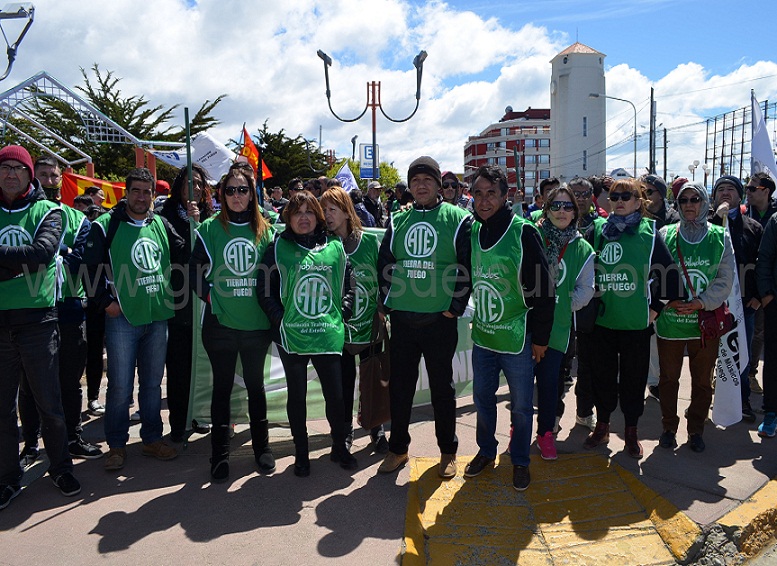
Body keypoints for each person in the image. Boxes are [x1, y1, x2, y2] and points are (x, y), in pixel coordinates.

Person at [376, 156, 472, 478]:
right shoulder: (398, 220)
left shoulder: (457, 219)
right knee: (401, 389)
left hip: (439, 322)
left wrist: (455, 306)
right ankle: (398, 449)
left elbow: (467, 266)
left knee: (442, 390)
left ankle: (447, 452)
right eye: (415, 180)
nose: (420, 185)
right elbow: (384, 263)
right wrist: (389, 301)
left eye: (427, 180)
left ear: (438, 185)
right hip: (404, 321)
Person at [85, 167, 184, 471]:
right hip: (123, 318)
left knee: (153, 384)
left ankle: (152, 439)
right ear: (125, 192)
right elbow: (89, 269)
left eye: (147, 191)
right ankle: (116, 445)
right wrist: (106, 303)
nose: (142, 197)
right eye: (136, 190)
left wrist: (195, 224)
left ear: (154, 195)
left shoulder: (161, 224)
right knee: (119, 387)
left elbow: (186, 252)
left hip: (157, 315)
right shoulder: (105, 226)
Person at [462, 165, 554, 491]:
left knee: (521, 406)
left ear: (505, 196)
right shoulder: (472, 231)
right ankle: (487, 451)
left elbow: (545, 289)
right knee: (483, 400)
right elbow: (461, 276)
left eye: (491, 194)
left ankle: (520, 461)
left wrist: (541, 339)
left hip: (518, 336)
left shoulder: (523, 232)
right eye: (479, 194)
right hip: (485, 336)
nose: (484, 201)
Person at [0, 145, 81, 510]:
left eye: (19, 168)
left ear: (30, 175)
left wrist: (17, 265)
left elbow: (42, 254)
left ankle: (60, 467)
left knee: (50, 404)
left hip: (38, 322)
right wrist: (18, 265)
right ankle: (7, 477)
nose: (11, 174)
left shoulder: (49, 211)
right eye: (5, 168)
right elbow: (28, 259)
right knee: (2, 408)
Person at [257, 190, 357, 477]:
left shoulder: (335, 246)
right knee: (297, 397)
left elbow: (349, 283)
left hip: (327, 335)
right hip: (293, 337)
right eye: (297, 212)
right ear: (288, 217)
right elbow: (263, 289)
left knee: (336, 397)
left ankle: (340, 447)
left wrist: (344, 310)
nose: (304, 217)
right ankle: (302, 454)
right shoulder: (278, 248)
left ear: (319, 217)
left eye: (310, 212)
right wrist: (280, 319)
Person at [583, 178, 681, 458]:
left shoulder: (650, 232)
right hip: (602, 322)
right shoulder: (598, 229)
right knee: (601, 378)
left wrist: (655, 310)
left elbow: (669, 277)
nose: (621, 201)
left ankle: (631, 431)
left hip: (636, 325)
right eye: (615, 197)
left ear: (639, 202)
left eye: (627, 196)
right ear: (608, 201)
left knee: (633, 381)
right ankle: (602, 426)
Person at [189, 168, 276, 481]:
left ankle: (262, 449)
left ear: (252, 194)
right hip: (220, 327)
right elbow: (194, 271)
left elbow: (279, 272)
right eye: (230, 190)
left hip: (256, 326)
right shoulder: (210, 229)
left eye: (243, 190)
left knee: (256, 386)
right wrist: (212, 300)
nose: (237, 196)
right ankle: (219, 455)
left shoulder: (267, 230)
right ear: (221, 195)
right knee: (222, 389)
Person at [17, 156, 102, 466]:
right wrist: (50, 254)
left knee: (69, 379)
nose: (50, 181)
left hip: (69, 306)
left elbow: (79, 261)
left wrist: (47, 255)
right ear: (32, 177)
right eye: (44, 175)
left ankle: (73, 437)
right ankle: (30, 444)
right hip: (32, 308)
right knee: (29, 384)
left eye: (55, 176)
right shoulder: (22, 217)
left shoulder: (77, 219)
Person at [655, 182, 735, 452]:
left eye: (695, 199)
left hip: (704, 324)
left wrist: (701, 302)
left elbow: (725, 280)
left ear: (704, 203)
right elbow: (654, 275)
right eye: (683, 200)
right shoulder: (665, 234)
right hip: (671, 322)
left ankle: (696, 429)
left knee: (702, 382)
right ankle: (668, 426)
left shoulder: (719, 237)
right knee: (668, 379)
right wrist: (668, 299)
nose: (689, 204)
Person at [321, 188, 389, 453]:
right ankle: (345, 431)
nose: (327, 216)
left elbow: (386, 278)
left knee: (372, 381)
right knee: (343, 383)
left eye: (332, 210)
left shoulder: (369, 242)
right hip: (338, 329)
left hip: (369, 325)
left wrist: (383, 309)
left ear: (347, 212)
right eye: (324, 210)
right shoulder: (324, 247)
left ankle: (376, 428)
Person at [534, 185, 595, 460]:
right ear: (546, 209)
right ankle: (518, 432)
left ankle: (546, 434)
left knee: (550, 387)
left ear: (575, 211)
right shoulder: (533, 236)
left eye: (567, 206)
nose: (562, 211)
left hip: (557, 329)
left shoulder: (582, 248)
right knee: (522, 388)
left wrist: (557, 306)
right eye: (555, 206)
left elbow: (586, 290)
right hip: (525, 325)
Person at [156, 163, 213, 441]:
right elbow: (181, 253)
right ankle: (178, 424)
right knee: (179, 369)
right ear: (179, 186)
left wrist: (200, 222)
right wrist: (192, 225)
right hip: (179, 305)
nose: (195, 188)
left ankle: (199, 415)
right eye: (189, 182)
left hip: (206, 305)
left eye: (200, 184)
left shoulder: (212, 218)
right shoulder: (164, 218)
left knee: (203, 367)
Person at [710, 175, 763, 421]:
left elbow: (761, 265)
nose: (725, 193)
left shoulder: (753, 227)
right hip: (711, 304)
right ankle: (710, 402)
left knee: (740, 353)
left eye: (731, 189)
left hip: (744, 304)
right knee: (709, 355)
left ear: (740, 196)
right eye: (720, 189)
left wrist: (757, 298)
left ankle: (741, 402)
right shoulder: (706, 225)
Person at [641, 174, 681, 402]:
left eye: (650, 192)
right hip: (641, 290)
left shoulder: (674, 218)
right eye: (642, 193)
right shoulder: (636, 218)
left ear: (661, 194)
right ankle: (654, 382)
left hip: (667, 288)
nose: (646, 198)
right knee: (650, 341)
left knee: (666, 341)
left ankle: (665, 380)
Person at [745, 172, 777, 399]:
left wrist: (764, 294)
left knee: (759, 332)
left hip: (766, 290)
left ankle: (751, 373)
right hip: (745, 286)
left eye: (752, 188)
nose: (747, 191)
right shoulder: (743, 214)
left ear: (766, 191)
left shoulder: (774, 217)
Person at [756, 212, 777, 437]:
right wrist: (767, 296)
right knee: (773, 361)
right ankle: (771, 412)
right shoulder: (776, 220)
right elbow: (765, 259)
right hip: (775, 304)